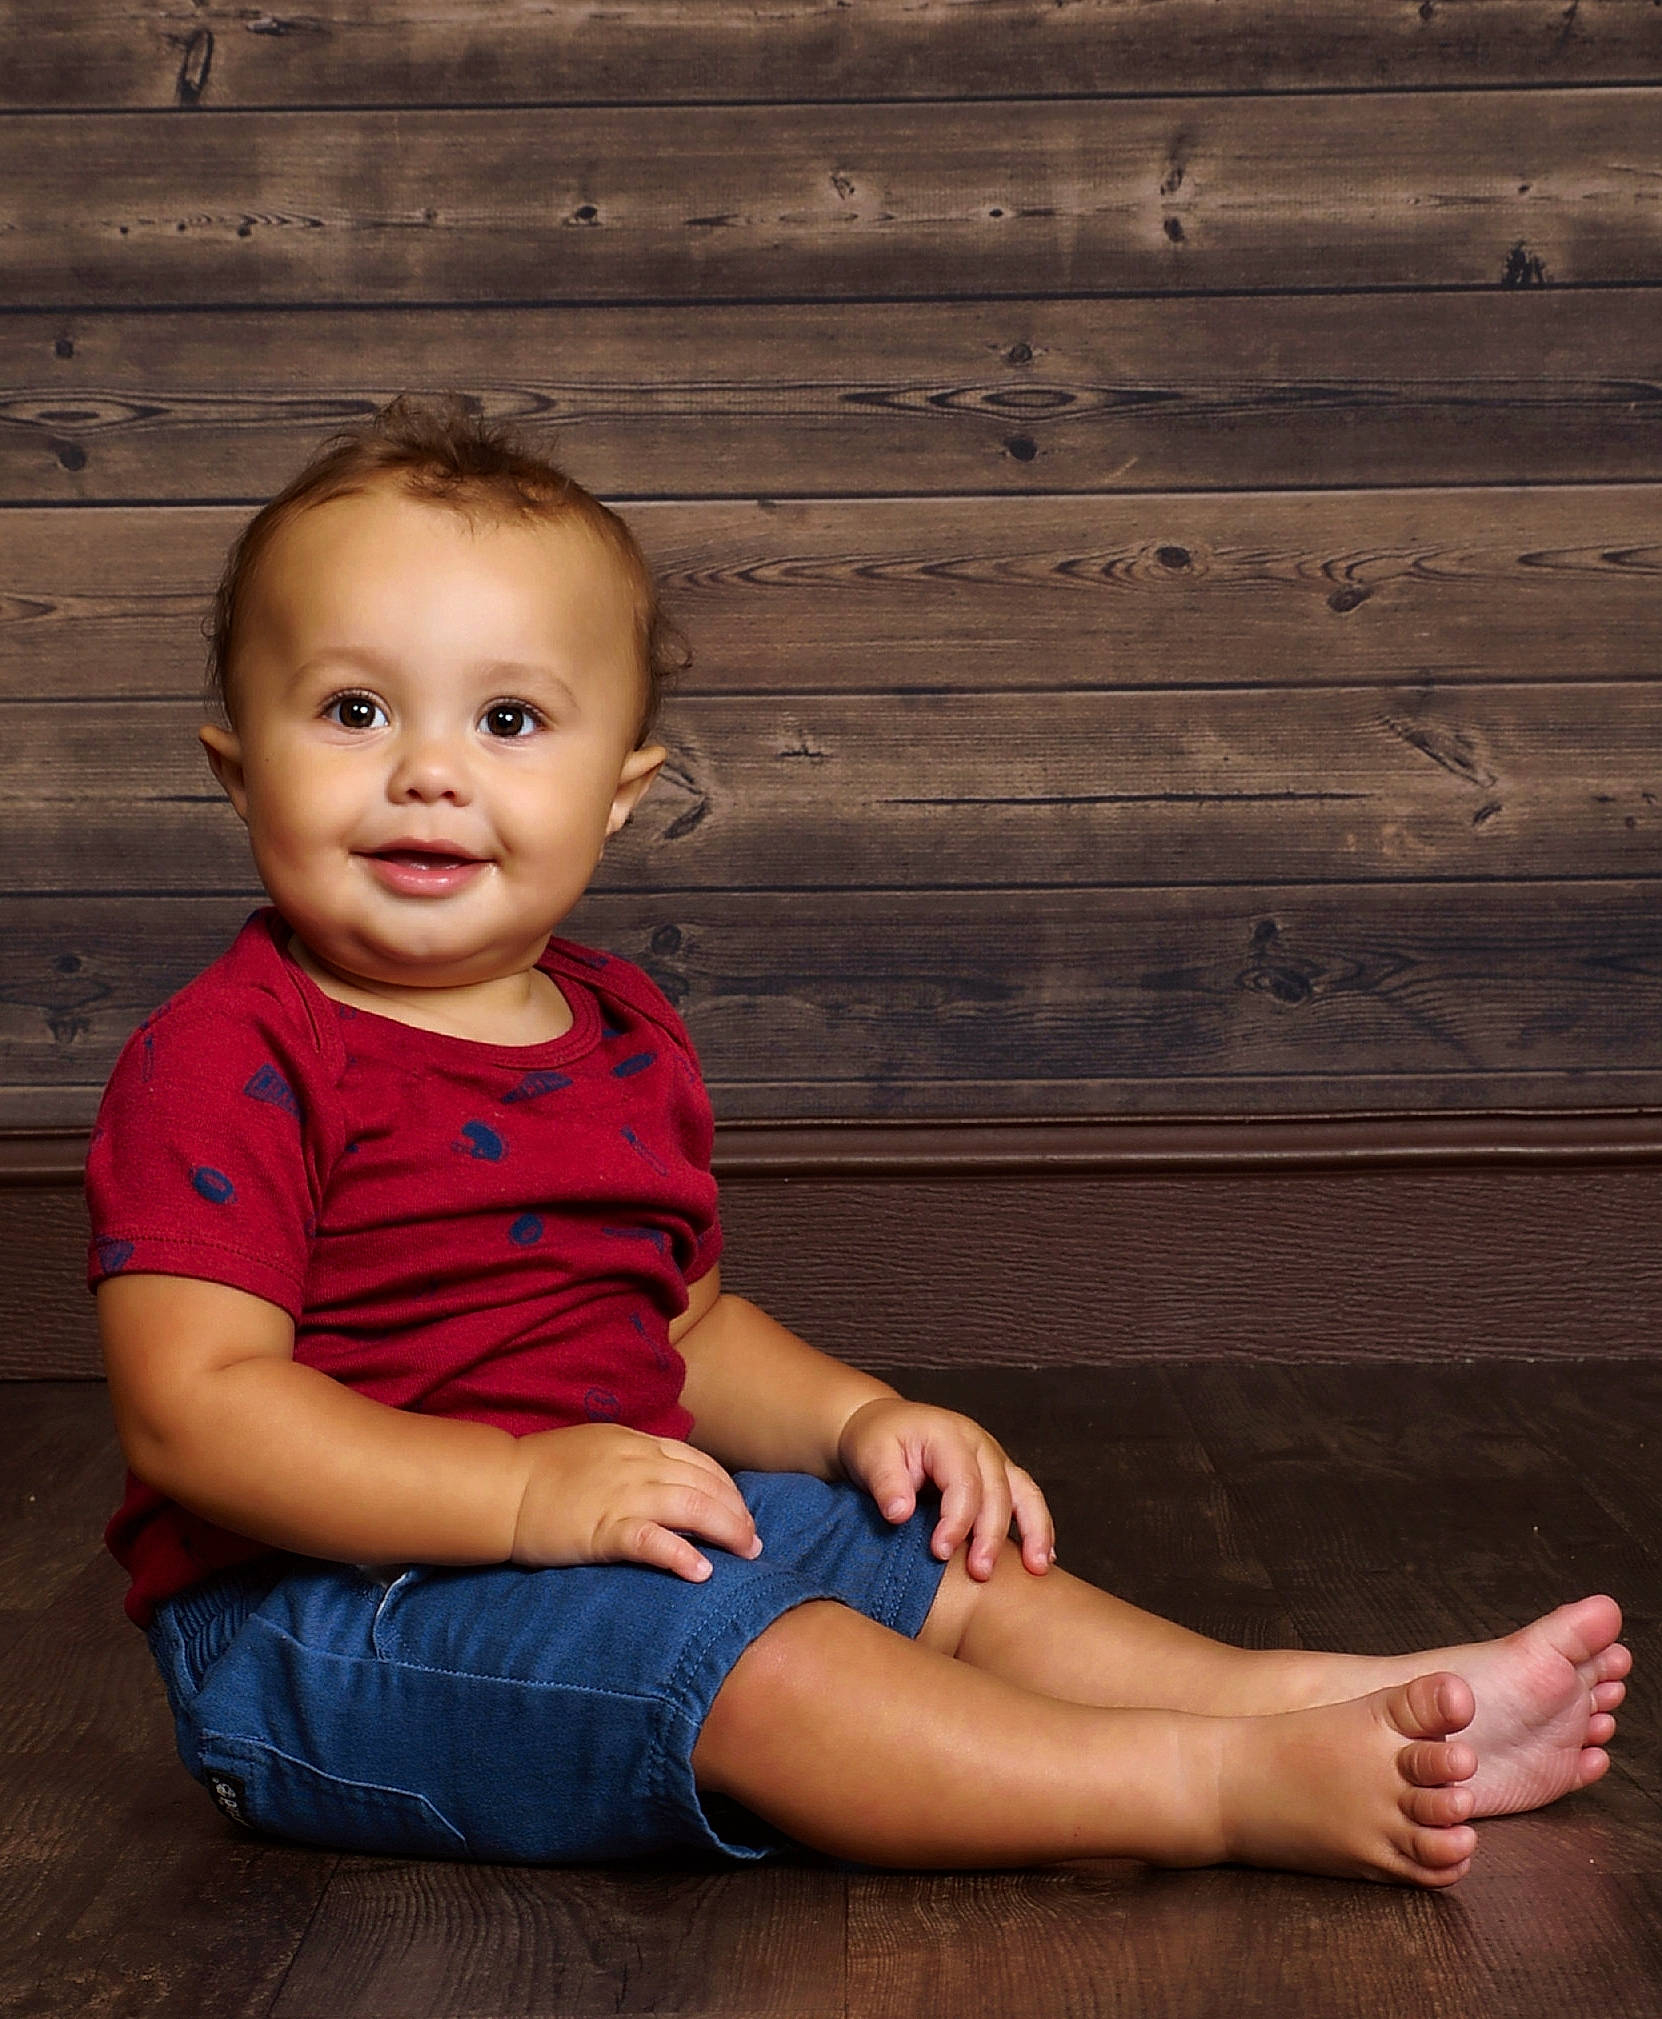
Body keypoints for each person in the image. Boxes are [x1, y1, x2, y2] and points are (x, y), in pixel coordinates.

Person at [87, 395, 1630, 1885]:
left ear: (617, 793)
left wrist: (850, 1420)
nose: (430, 769)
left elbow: (677, 1328)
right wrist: (517, 1499)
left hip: (592, 1522)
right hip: (321, 1624)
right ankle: (1203, 1787)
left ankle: (1294, 1700)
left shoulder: (618, 1031)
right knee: (753, 1657)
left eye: (508, 719)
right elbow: (199, 1413)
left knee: (931, 1557)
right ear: (238, 766)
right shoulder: (227, 1057)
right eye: (355, 710)